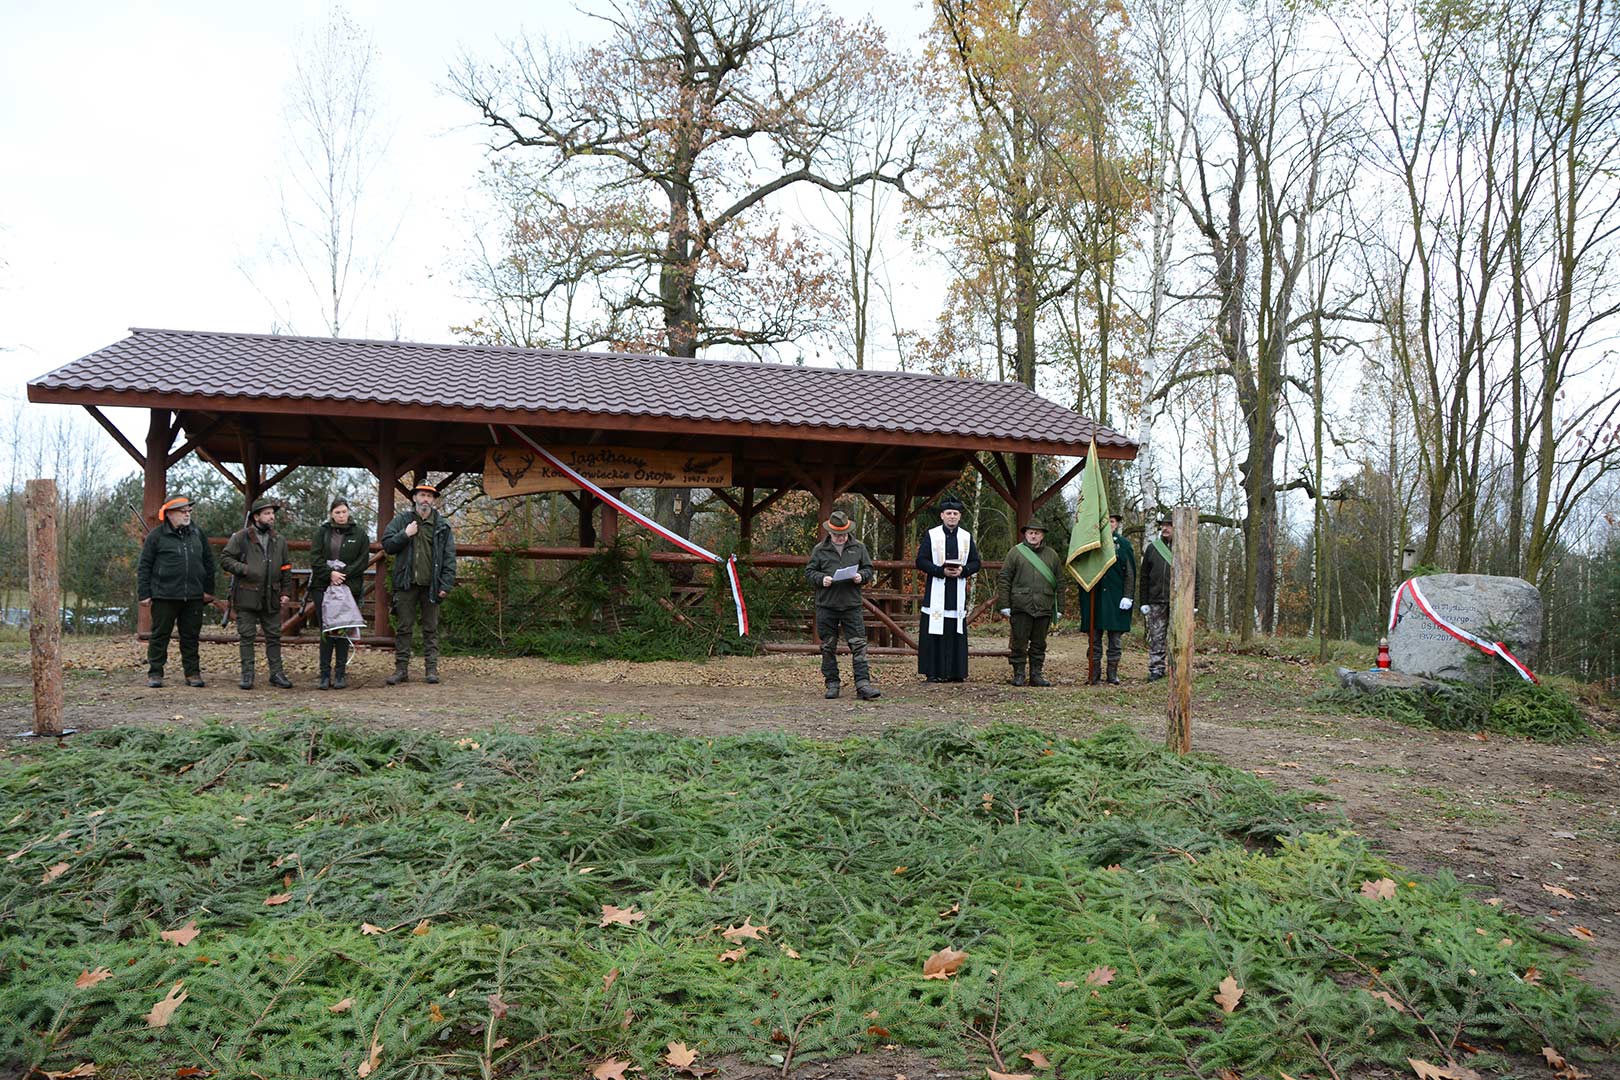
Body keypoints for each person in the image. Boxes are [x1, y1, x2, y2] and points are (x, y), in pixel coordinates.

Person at [137, 495, 216, 688]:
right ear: (169, 514)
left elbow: (209, 562)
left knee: (191, 637)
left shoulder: (198, 533)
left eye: (189, 511)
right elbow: (144, 566)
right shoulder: (156, 536)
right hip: (164, 595)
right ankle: (155, 673)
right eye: (183, 511)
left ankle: (192, 673)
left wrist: (208, 590)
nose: (187, 514)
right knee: (160, 635)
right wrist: (144, 593)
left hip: (194, 596)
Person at [381, 483, 456, 685]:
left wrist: (445, 584)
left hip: (432, 585)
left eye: (429, 496)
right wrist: (405, 534)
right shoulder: (402, 521)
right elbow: (387, 545)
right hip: (406, 583)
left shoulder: (442, 525)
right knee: (404, 628)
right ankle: (401, 670)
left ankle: (431, 670)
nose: (425, 499)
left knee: (431, 629)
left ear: (434, 500)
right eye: (422, 495)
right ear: (414, 497)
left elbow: (449, 557)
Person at [804, 509, 880, 701]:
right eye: (837, 534)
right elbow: (809, 572)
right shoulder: (819, 549)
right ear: (830, 532)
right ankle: (832, 683)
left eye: (844, 534)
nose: (841, 538)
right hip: (827, 605)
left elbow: (868, 569)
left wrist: (861, 576)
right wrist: (821, 579)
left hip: (851, 604)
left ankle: (863, 684)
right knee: (828, 646)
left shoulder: (859, 547)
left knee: (859, 645)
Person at [221, 498, 294, 690]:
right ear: (256, 517)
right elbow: (225, 559)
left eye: (272, 513)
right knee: (247, 636)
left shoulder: (279, 540)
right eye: (267, 513)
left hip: (271, 596)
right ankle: (247, 675)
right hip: (246, 595)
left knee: (274, 636)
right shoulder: (241, 537)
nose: (272, 517)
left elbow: (286, 568)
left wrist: (286, 591)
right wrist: (245, 569)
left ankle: (276, 674)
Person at [915, 495, 981, 682]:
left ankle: (955, 672)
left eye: (955, 513)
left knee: (954, 632)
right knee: (934, 632)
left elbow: (976, 562)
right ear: (942, 515)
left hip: (956, 592)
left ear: (960, 516)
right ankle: (933, 672)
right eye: (949, 513)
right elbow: (921, 560)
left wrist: (963, 571)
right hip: (936, 589)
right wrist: (939, 571)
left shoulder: (966, 537)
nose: (952, 516)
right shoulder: (932, 535)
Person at [309, 497, 369, 690]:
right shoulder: (322, 532)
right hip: (323, 587)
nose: (341, 515)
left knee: (343, 629)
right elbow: (315, 557)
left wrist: (343, 574)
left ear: (348, 512)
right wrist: (330, 574)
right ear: (331, 514)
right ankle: (324, 674)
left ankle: (341, 673)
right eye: (337, 512)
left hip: (349, 587)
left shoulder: (359, 534)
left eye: (344, 511)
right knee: (326, 630)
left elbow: (362, 560)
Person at [996, 521, 1064, 686]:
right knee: (1019, 643)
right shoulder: (1015, 553)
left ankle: (1036, 675)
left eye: (1037, 533)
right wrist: (1005, 604)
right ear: (1025, 534)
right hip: (1021, 605)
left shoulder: (1052, 555)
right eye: (1030, 533)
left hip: (1044, 605)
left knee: (1039, 644)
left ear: (1042, 535)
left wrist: (1060, 608)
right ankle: (1019, 674)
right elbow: (1004, 579)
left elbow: (1060, 582)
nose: (1033, 536)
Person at [1078, 513, 1137, 685]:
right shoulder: (1089, 544)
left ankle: (1112, 674)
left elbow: (1130, 573)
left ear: (1116, 524)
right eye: (1105, 521)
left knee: (1115, 640)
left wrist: (1128, 596)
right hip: (1094, 598)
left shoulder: (1123, 545)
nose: (1108, 524)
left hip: (1116, 599)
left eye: (1111, 521)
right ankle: (1094, 673)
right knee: (1094, 639)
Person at [1138, 515, 1176, 681]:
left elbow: (1194, 575)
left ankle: (1177, 668)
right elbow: (1144, 576)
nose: (1165, 528)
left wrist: (1194, 602)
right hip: (1156, 601)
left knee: (1177, 638)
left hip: (1178, 602)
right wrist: (1144, 601)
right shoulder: (1153, 549)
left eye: (1169, 525)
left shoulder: (1184, 548)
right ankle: (1156, 669)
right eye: (1163, 525)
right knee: (1157, 638)